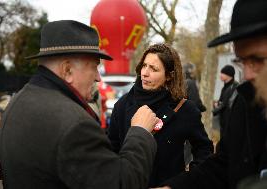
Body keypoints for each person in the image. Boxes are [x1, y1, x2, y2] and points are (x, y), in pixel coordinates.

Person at [0, 20, 160, 189]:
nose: (98, 77)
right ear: (67, 70)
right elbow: (123, 183)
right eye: (94, 67)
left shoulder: (17, 102)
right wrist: (140, 133)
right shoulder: (75, 125)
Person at [154, 0, 267, 189]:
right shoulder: (246, 101)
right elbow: (222, 165)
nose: (247, 74)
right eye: (242, 61)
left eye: (256, 59)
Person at [107, 43, 213, 188]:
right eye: (144, 66)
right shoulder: (122, 105)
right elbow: (111, 150)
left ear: (169, 76)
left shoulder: (184, 109)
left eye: (154, 69)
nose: (145, 73)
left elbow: (204, 151)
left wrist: (185, 183)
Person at [213, 65, 238, 135]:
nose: (220, 75)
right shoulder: (225, 87)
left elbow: (226, 104)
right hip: (223, 122)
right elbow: (221, 101)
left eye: (223, 73)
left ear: (229, 74)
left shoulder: (234, 87)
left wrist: (213, 111)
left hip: (230, 123)